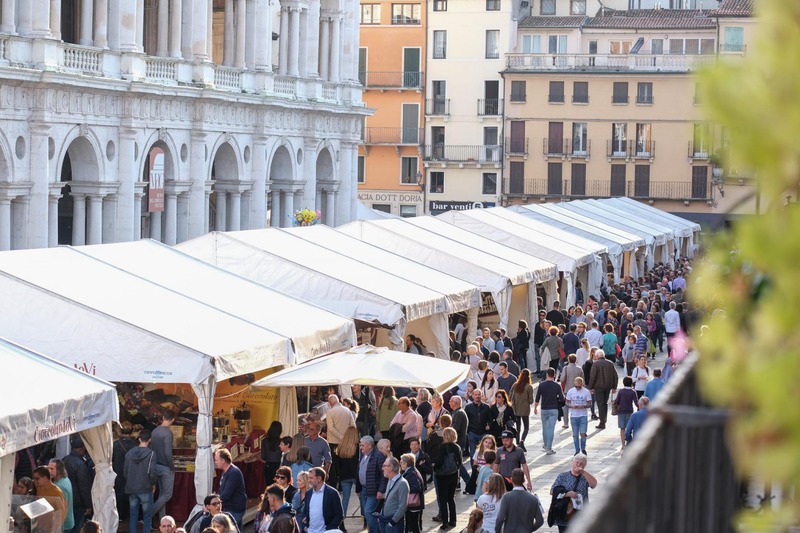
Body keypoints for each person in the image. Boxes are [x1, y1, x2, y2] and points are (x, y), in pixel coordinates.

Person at [549, 454, 597, 531]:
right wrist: (567, 494)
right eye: (577, 462)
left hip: (581, 515)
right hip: (565, 513)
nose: (578, 465)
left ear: (584, 466)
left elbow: (594, 484)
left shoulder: (585, 477)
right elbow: (552, 491)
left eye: (581, 463)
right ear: (572, 463)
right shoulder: (563, 476)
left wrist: (583, 472)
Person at [124, 429, 157, 533]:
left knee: (133, 516)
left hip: (132, 487)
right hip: (145, 487)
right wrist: (153, 484)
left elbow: (125, 471)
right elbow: (152, 472)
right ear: (150, 440)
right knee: (147, 517)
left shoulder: (129, 453)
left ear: (139, 439)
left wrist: (129, 481)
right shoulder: (151, 454)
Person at [494, 468, 544, 533]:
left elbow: (500, 518)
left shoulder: (506, 497)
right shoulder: (533, 499)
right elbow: (540, 521)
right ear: (523, 480)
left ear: (511, 480)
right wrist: (531, 529)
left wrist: (497, 531)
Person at [63, 435, 93, 533]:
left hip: (66, 499)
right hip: (78, 502)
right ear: (83, 448)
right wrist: (88, 505)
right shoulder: (80, 464)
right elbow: (83, 486)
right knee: (76, 527)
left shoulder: (65, 459)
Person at [432, 427, 461, 529]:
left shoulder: (443, 447)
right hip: (453, 475)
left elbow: (439, 462)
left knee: (443, 500)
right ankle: (453, 521)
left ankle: (445, 522)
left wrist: (434, 468)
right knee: (451, 498)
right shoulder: (457, 447)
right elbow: (460, 461)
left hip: (443, 476)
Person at [302, 467, 343, 533]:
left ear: (319, 478)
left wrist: (329, 529)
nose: (309, 480)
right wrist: (305, 527)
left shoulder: (332, 493)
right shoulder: (308, 493)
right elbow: (305, 512)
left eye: (311, 478)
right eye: (308, 478)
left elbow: (339, 515)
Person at [356, 436, 384, 533]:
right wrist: (358, 488)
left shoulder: (378, 456)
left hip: (373, 490)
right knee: (367, 513)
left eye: (362, 445)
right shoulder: (363, 455)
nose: (361, 447)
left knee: (368, 512)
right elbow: (359, 471)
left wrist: (381, 490)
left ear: (369, 445)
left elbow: (383, 475)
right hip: (364, 489)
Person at [151, 410, 176, 521]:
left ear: (163, 417)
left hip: (156, 465)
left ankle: (162, 520)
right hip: (165, 466)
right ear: (172, 419)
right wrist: (172, 466)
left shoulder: (155, 431)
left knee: (162, 494)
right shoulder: (167, 433)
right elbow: (167, 452)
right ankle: (149, 514)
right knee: (167, 495)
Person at [533, 368, 564, 455]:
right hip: (553, 409)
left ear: (547, 375)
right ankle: (549, 447)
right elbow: (562, 398)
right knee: (551, 428)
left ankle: (545, 444)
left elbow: (537, 397)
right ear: (554, 375)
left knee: (545, 428)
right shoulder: (557, 386)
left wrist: (535, 408)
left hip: (544, 408)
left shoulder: (541, 385)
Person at [214, 448, 247, 530]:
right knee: (237, 530)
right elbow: (221, 489)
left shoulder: (233, 473)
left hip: (235, 509)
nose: (215, 462)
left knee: (230, 530)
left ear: (223, 460)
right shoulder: (225, 471)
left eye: (217, 460)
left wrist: (214, 502)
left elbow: (226, 494)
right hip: (230, 508)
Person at [587, 349, 618, 430]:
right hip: (608, 386)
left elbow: (593, 376)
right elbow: (615, 375)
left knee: (600, 404)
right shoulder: (610, 363)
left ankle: (602, 422)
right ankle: (604, 420)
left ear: (597, 356)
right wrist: (614, 386)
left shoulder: (596, 364)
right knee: (605, 403)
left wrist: (590, 387)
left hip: (598, 386)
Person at [376, 457, 408, 533]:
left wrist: (392, 522)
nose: (382, 468)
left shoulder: (402, 483)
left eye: (384, 466)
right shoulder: (390, 480)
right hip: (385, 520)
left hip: (393, 524)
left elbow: (403, 507)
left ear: (390, 468)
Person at [112, 421, 137, 521]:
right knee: (130, 494)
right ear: (132, 432)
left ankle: (120, 515)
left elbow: (112, 460)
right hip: (131, 473)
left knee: (118, 493)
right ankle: (128, 514)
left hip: (118, 472)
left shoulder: (116, 444)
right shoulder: (135, 445)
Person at [31, 466, 67, 531]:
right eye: (34, 479)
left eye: (37, 478)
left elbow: (61, 514)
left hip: (52, 528)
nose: (35, 481)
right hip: (41, 527)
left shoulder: (57, 492)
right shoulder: (40, 489)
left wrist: (53, 530)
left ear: (45, 478)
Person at [337, 426, 359, 528]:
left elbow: (338, 465)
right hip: (355, 475)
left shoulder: (341, 447)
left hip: (344, 476)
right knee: (362, 498)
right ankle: (366, 520)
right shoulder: (357, 447)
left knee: (345, 499)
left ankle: (341, 521)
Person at [565, 377, 592, 456]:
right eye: (576, 386)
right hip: (574, 415)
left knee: (583, 433)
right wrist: (571, 405)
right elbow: (567, 402)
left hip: (583, 414)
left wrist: (583, 406)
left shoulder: (586, 392)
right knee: (575, 434)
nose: (577, 388)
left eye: (579, 387)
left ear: (582, 384)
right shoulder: (571, 391)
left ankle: (583, 448)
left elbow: (590, 404)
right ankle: (577, 449)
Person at [47, 458, 75, 532]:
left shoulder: (60, 486)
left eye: (52, 469)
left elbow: (63, 509)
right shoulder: (65, 479)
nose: (49, 471)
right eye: (48, 468)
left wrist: (56, 528)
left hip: (63, 526)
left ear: (59, 470)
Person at [508, 369, 534, 448]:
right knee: (526, 427)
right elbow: (531, 400)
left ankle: (517, 442)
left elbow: (510, 395)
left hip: (515, 409)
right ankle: (522, 441)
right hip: (525, 410)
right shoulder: (529, 387)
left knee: (518, 427)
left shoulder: (515, 385)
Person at [400, 453, 424, 533]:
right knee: (410, 524)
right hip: (412, 505)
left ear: (406, 463)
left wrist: (404, 489)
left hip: (413, 504)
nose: (400, 464)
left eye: (401, 462)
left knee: (414, 525)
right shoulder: (410, 471)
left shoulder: (412, 473)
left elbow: (417, 487)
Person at [465, 389, 492, 460]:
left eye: (479, 394)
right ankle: (474, 470)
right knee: (473, 453)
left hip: (483, 433)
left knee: (484, 453)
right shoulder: (468, 407)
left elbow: (490, 419)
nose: (477, 396)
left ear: (481, 395)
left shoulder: (486, 407)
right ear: (472, 396)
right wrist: (468, 431)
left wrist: (489, 425)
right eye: (475, 395)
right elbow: (466, 420)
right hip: (472, 433)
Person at [559, 354, 584, 429]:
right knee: (576, 406)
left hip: (567, 390)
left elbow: (562, 379)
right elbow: (583, 380)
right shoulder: (579, 369)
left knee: (566, 407)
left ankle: (566, 423)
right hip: (577, 390)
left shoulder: (565, 368)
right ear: (576, 360)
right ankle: (577, 422)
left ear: (569, 360)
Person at [614, 377, 638, 448]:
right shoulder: (633, 392)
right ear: (631, 383)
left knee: (622, 428)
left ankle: (623, 445)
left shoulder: (621, 391)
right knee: (629, 428)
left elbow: (617, 401)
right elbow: (636, 402)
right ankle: (628, 441)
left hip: (621, 411)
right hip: (629, 411)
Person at [261, 421, 284, 487]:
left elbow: (263, 456)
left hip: (268, 466)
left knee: (269, 486)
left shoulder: (264, 441)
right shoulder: (281, 442)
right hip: (279, 466)